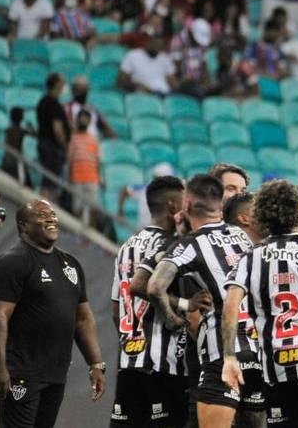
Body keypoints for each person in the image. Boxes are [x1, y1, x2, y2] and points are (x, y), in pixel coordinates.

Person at [147, 174, 263, 428]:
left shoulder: (190, 244)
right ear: (220, 205)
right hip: (258, 349)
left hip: (221, 351)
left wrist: (171, 317)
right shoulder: (241, 234)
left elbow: (154, 287)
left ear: (187, 205)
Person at [0, 199, 107, 427]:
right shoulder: (13, 262)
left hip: (56, 375)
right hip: (22, 373)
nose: (51, 218)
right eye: (42, 215)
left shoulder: (70, 264)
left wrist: (96, 364)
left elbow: (82, 319)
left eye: (53, 213)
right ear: (23, 225)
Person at [221, 180, 298, 428]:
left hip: (274, 367)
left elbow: (230, 306)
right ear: (296, 210)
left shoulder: (250, 257)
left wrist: (229, 357)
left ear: (261, 215)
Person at [110, 176, 203, 428]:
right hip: (165, 365)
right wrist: (184, 305)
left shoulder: (126, 246)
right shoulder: (175, 246)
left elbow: (117, 311)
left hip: (129, 362)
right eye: (186, 201)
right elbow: (144, 288)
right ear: (173, 206)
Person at [36, 73, 70, 202]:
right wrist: (65, 146)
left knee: (48, 179)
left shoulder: (42, 102)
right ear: (56, 85)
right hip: (52, 147)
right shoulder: (54, 104)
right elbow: (58, 130)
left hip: (43, 143)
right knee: (50, 182)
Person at [67, 110, 101, 226]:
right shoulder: (73, 138)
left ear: (89, 121)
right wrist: (69, 177)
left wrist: (100, 177)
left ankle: (91, 234)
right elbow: (70, 160)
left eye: (86, 119)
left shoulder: (93, 139)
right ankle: (77, 234)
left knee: (93, 209)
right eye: (81, 118)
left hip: (92, 178)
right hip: (77, 178)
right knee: (77, 209)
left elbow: (97, 160)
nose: (83, 121)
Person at [170, 17, 213, 98]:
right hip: (182, 83)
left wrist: (206, 83)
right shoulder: (178, 40)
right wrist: (187, 81)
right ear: (191, 32)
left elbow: (204, 65)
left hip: (198, 83)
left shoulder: (203, 43)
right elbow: (175, 67)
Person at [2, 107, 36, 187]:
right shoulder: (22, 131)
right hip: (18, 160)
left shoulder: (8, 130)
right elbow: (35, 134)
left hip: (7, 158)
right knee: (24, 184)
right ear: (21, 118)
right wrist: (31, 127)